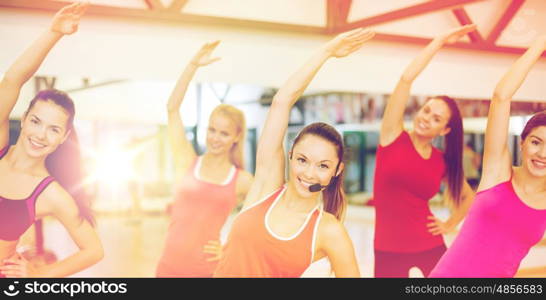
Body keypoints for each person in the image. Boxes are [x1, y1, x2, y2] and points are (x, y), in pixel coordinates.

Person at [213, 28, 375, 278]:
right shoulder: (265, 189)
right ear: (290, 156)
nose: (309, 173)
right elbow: (281, 101)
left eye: (323, 165)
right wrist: (326, 51)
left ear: (337, 171)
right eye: (302, 160)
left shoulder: (328, 231)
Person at [0, 2, 103, 277]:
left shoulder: (50, 193)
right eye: (36, 121)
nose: (40, 135)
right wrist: (54, 32)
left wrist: (37, 275)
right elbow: (11, 80)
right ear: (23, 120)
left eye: (53, 129)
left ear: (63, 138)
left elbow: (94, 251)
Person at [430, 35, 546, 278]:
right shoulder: (499, 172)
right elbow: (502, 96)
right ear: (523, 143)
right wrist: (540, 43)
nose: (542, 154)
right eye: (536, 142)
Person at [373, 25, 476, 277]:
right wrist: (438, 41)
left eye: (436, 118)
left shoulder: (441, 161)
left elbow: (468, 198)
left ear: (444, 130)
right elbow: (406, 79)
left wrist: (450, 223)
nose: (427, 118)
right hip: (388, 249)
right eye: (427, 110)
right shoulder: (392, 137)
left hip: (429, 244)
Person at [156, 41, 253, 277]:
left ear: (236, 137)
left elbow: (257, 224)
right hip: (167, 267)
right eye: (212, 130)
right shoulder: (187, 161)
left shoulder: (242, 180)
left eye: (224, 133)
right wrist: (192, 66)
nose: (216, 138)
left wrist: (230, 249)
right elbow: (172, 108)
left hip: (204, 270)